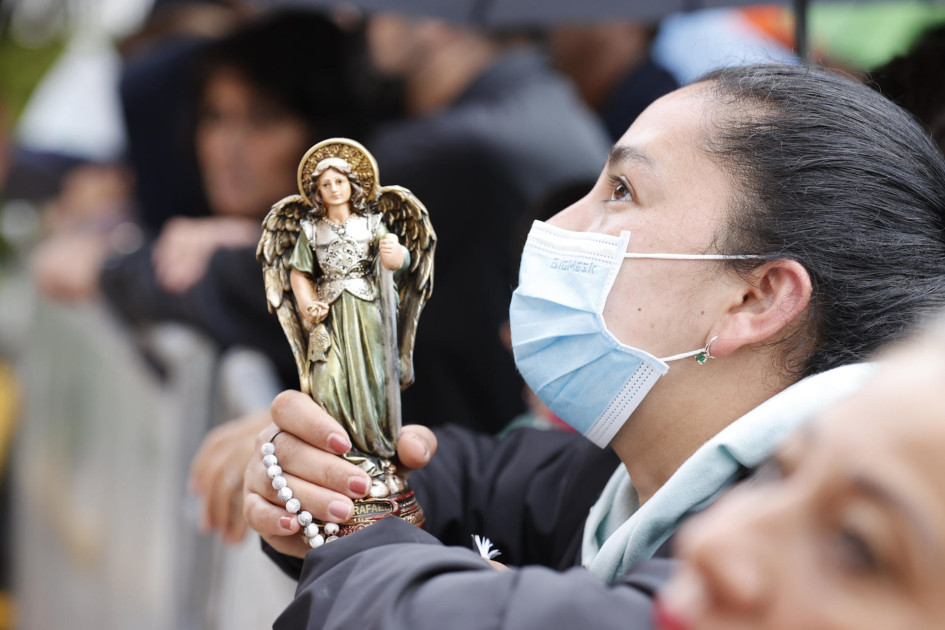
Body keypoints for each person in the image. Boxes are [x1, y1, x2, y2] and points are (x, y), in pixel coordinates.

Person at [243, 62, 945, 627]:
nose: (556, 225)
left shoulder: (839, 503)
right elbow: (471, 474)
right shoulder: (623, 477)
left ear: (754, 298)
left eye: (621, 191)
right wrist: (334, 470)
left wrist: (362, 530)